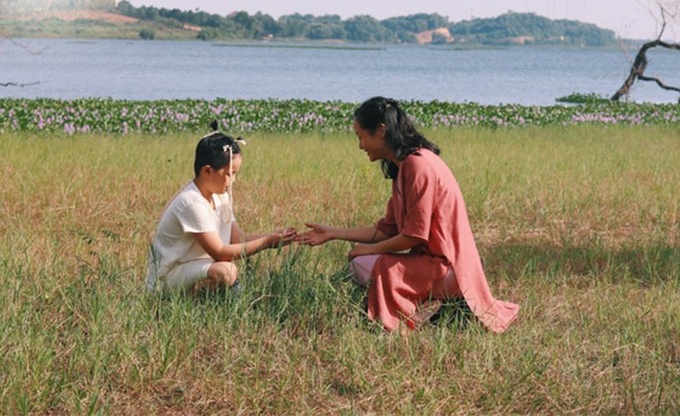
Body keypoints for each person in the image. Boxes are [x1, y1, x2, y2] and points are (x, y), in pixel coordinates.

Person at [297, 96, 518, 333]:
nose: (360, 145)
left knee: (364, 264)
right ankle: (434, 305)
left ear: (381, 131)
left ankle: (434, 304)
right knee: (359, 263)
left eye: (361, 137)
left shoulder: (418, 165)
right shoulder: (403, 167)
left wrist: (369, 250)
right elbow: (385, 230)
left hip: (449, 267)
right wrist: (332, 233)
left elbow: (415, 236)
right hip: (435, 263)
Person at [147, 126, 296, 295]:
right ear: (207, 171)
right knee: (226, 271)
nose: (233, 180)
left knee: (227, 270)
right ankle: (187, 301)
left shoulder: (220, 195)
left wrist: (276, 236)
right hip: (167, 278)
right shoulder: (192, 203)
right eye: (229, 174)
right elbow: (220, 253)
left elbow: (238, 239)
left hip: (194, 268)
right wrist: (267, 242)